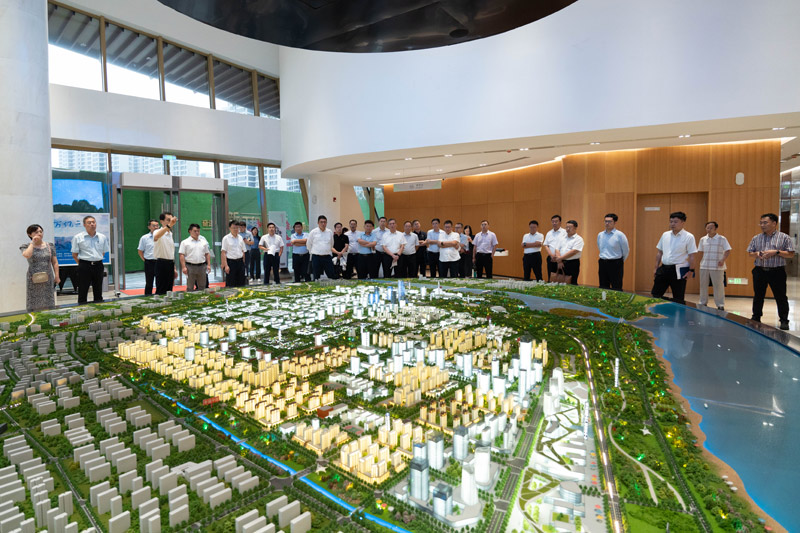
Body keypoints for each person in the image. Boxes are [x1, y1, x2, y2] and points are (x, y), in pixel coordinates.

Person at [747, 213, 795, 330]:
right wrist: (757, 254)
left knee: (781, 297)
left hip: (777, 271)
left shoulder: (784, 237)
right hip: (759, 270)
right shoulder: (756, 238)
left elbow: (790, 254)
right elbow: (750, 253)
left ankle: (784, 320)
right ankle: (756, 317)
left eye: (765, 223)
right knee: (758, 296)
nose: (762, 225)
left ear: (774, 223)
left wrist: (776, 252)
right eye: (761, 223)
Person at [652, 211, 697, 305]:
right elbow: (659, 252)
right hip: (664, 268)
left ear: (683, 222)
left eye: (675, 222)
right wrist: (656, 267)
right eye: (671, 221)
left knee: (678, 298)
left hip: (678, 270)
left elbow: (692, 256)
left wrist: (691, 270)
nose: (672, 224)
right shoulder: (665, 235)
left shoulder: (689, 237)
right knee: (655, 295)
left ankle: (678, 314)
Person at [71, 215, 110, 303]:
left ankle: (99, 308)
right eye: (89, 223)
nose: (92, 224)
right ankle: (82, 308)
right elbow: (74, 255)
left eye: (93, 222)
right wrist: (82, 264)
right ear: (84, 225)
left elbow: (103, 252)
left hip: (98, 265)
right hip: (84, 266)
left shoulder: (102, 237)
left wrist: (96, 259)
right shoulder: (78, 237)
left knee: (98, 290)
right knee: (83, 290)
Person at [20, 224, 59, 311]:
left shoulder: (50, 246)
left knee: (48, 300)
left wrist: (57, 276)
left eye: (41, 231)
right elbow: (27, 255)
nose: (39, 233)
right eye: (36, 232)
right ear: (30, 234)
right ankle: (34, 317)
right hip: (33, 278)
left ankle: (49, 316)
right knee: (33, 301)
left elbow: (55, 262)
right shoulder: (25, 246)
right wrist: (32, 243)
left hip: (48, 277)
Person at [697, 221, 731, 310]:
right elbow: (700, 252)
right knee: (703, 285)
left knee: (718, 286)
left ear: (715, 228)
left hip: (717, 266)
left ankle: (720, 304)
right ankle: (702, 302)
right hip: (704, 265)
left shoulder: (722, 239)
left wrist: (723, 260)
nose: (709, 229)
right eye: (707, 228)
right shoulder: (703, 239)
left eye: (711, 228)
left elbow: (727, 250)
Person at [597, 213, 630, 290]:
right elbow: (600, 247)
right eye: (605, 221)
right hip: (603, 262)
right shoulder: (600, 235)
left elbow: (626, 250)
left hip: (616, 263)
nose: (607, 223)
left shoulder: (620, 235)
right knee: (603, 286)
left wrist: (620, 261)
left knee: (616, 286)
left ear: (615, 222)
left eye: (609, 221)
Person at [179, 223, 211, 292]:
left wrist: (208, 265)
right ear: (190, 231)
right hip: (190, 266)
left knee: (202, 286)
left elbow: (207, 254)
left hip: (202, 266)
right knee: (190, 287)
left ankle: (202, 298)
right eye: (195, 231)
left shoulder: (203, 242)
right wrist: (183, 267)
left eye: (198, 231)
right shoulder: (185, 242)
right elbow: (181, 255)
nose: (197, 233)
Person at [153, 212, 178, 295]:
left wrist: (174, 268)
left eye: (171, 220)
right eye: (168, 220)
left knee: (169, 288)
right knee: (161, 288)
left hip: (170, 264)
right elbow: (156, 236)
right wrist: (169, 225)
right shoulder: (157, 231)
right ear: (161, 221)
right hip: (161, 263)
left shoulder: (170, 234)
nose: (170, 222)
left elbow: (170, 252)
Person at [307, 215, 336, 280]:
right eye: (321, 222)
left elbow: (331, 244)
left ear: (326, 223)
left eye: (325, 222)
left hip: (327, 256)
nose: (323, 224)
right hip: (316, 257)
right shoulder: (313, 232)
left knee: (331, 275)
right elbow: (308, 244)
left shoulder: (329, 232)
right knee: (316, 276)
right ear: (318, 223)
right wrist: (313, 252)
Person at [557, 220, 584, 285]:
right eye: (567, 227)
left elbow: (574, 251)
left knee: (572, 283)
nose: (568, 229)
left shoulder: (578, 239)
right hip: (561, 263)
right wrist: (559, 261)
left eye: (570, 227)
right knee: (561, 282)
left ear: (575, 228)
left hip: (572, 264)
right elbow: (557, 249)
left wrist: (560, 258)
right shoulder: (562, 238)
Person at [221, 220, 247, 287]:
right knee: (231, 283)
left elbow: (243, 251)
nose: (236, 229)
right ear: (230, 228)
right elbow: (223, 253)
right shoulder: (226, 238)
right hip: (231, 263)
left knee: (241, 282)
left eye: (237, 228)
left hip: (240, 262)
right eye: (234, 228)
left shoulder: (240, 238)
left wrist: (243, 263)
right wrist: (226, 265)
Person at [137, 219, 159, 295]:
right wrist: (145, 260)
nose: (156, 227)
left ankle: (159, 296)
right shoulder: (144, 238)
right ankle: (147, 297)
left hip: (159, 262)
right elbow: (140, 251)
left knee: (159, 282)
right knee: (149, 282)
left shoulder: (162, 237)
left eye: (157, 225)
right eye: (154, 226)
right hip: (149, 262)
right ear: (149, 227)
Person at [542, 215, 567, 282]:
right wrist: (551, 255)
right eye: (553, 221)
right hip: (551, 259)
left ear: (560, 222)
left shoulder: (565, 232)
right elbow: (546, 245)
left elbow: (565, 245)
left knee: (561, 278)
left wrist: (558, 258)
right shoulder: (549, 233)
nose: (554, 223)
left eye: (556, 221)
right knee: (551, 278)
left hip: (561, 259)